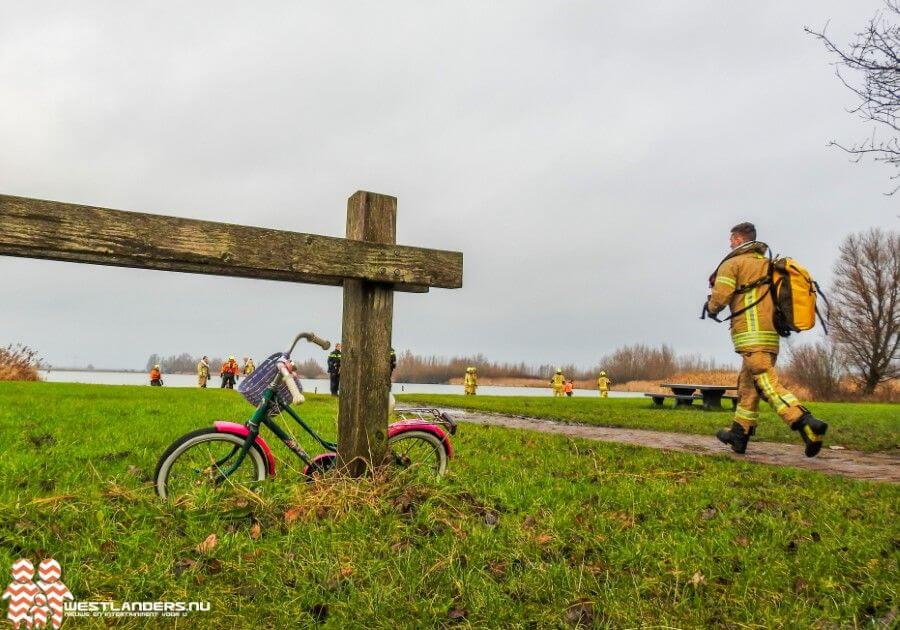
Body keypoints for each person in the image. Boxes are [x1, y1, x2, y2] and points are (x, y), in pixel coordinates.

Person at [705, 222, 828, 457]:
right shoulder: (767, 264)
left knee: (766, 383)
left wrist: (710, 308)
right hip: (769, 335)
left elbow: (720, 297)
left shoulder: (733, 263)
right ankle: (739, 435)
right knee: (748, 386)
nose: (730, 243)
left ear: (740, 239)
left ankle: (805, 422)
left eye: (732, 239)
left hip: (752, 335)